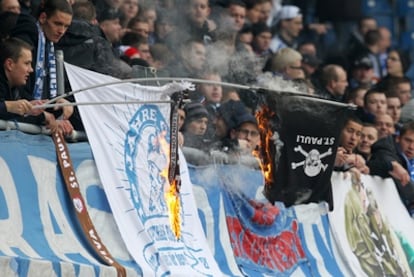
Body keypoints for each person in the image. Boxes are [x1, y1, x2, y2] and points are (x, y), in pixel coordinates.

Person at [11, 0, 74, 135]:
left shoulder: (49, 44)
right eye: (57, 23)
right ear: (43, 18)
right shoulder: (27, 37)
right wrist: (43, 116)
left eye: (66, 26)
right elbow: (19, 90)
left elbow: (42, 96)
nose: (61, 31)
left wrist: (58, 106)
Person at [0, 37, 58, 130]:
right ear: (10, 64)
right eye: (27, 63)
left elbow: (23, 113)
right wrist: (9, 106)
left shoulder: (17, 88)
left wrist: (40, 114)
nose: (31, 70)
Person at [368, 121, 414, 217]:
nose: (411, 147)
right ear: (398, 138)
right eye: (408, 140)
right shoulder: (387, 147)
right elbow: (382, 153)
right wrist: (393, 165)